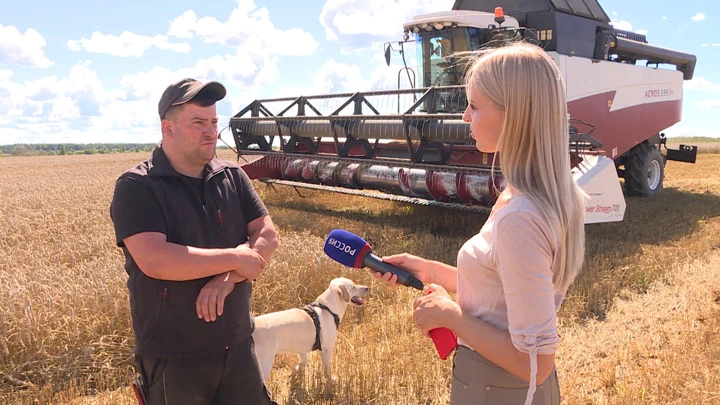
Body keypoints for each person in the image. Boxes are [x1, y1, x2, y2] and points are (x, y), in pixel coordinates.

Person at [371, 42, 586, 405]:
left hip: (497, 388)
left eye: (474, 105)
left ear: (513, 115)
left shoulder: (519, 217)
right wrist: (428, 270)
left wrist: (451, 316)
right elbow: (502, 291)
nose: (465, 117)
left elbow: (535, 363)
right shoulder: (533, 197)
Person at [110, 78, 279, 405]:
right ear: (168, 128)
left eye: (214, 122)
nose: (211, 131)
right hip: (175, 358)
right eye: (198, 123)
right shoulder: (138, 186)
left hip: (239, 347)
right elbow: (155, 259)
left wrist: (229, 278)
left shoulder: (232, 176)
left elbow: (267, 236)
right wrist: (235, 258)